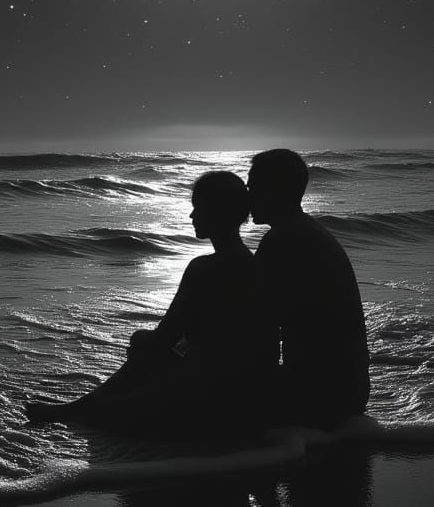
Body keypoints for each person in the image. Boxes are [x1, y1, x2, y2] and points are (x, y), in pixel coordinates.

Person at [25, 170, 278, 437]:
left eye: (198, 209)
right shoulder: (254, 265)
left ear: (216, 212)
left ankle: (78, 409)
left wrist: (143, 343)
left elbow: (165, 338)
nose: (192, 216)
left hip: (213, 396)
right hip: (250, 394)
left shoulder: (205, 268)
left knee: (136, 361)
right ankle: (82, 407)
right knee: (144, 355)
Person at [248, 148, 370, 428]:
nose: (248, 195)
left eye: (253, 187)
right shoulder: (306, 231)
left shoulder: (283, 241)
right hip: (347, 391)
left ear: (274, 192)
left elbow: (257, 323)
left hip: (321, 396)